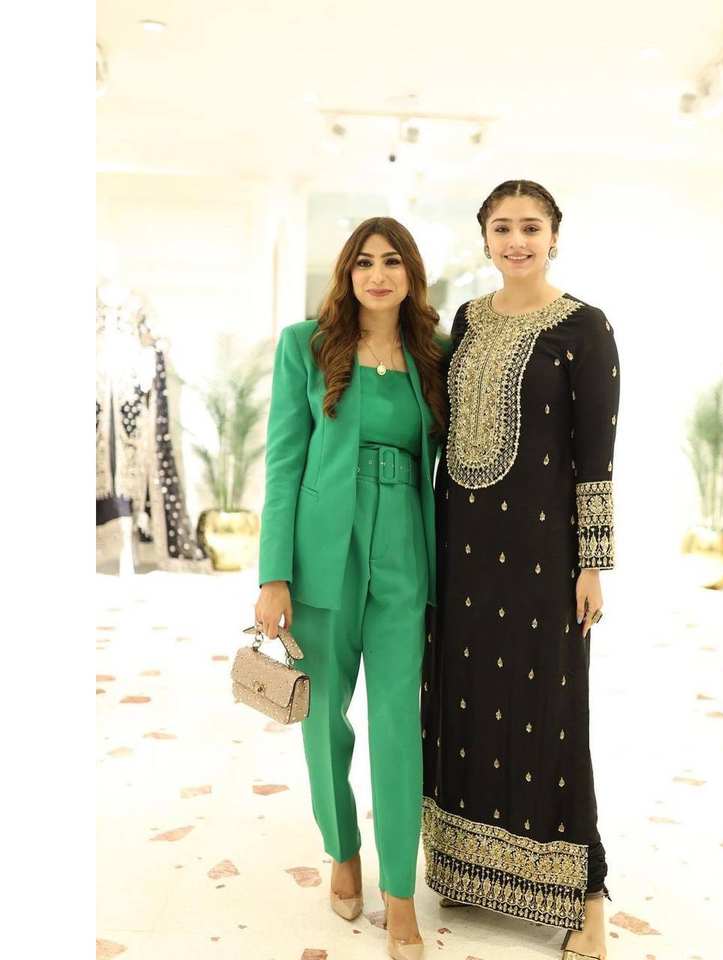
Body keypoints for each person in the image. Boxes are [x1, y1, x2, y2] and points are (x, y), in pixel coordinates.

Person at [420, 181, 620, 960]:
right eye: (502, 228)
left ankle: (586, 898)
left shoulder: (585, 328)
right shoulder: (467, 320)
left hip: (542, 556)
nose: (517, 241)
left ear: (555, 236)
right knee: (463, 700)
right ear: (484, 239)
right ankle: (472, 871)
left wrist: (592, 563)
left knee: (552, 710)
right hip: (461, 550)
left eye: (531, 227)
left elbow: (596, 456)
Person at [255, 216, 447, 960]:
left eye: (392, 262)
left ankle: (399, 891)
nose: (377, 274)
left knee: (398, 722)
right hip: (321, 554)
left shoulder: (434, 353)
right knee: (323, 718)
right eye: (364, 262)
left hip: (405, 548)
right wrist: (274, 575)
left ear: (411, 275)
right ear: (347, 273)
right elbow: (282, 463)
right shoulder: (304, 345)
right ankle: (342, 848)